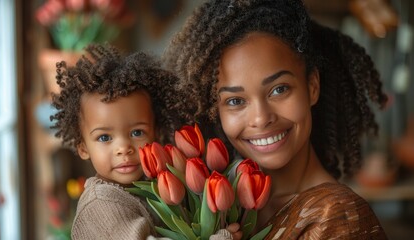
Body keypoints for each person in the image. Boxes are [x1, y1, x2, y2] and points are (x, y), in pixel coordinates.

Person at [163, 0, 388, 239]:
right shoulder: (219, 208)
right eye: (235, 101)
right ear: (214, 110)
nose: (261, 118)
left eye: (279, 89)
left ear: (312, 86)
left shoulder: (337, 218)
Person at [50, 44, 239, 240]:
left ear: (155, 133)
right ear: (82, 147)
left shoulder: (152, 185)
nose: (123, 148)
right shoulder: (100, 204)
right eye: (105, 137)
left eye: (137, 132)